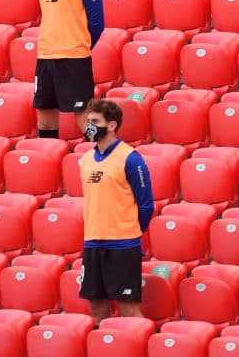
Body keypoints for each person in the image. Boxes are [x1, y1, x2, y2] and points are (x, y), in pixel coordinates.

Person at [78, 98, 154, 323]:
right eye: (89, 121)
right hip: (92, 243)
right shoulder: (85, 159)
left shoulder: (130, 158)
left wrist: (130, 233)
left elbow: (146, 205)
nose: (89, 127)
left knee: (128, 310)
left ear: (111, 125)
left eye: (95, 122)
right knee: (97, 310)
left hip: (122, 245)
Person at [33, 0, 104, 137]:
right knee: (45, 120)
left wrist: (78, 45)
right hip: (46, 56)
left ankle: (104, 155)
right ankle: (47, 159)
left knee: (85, 122)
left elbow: (97, 23)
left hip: (74, 58)